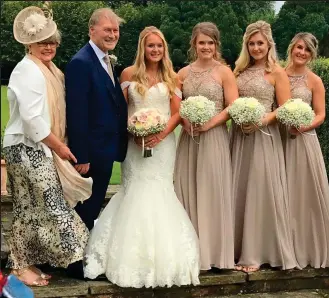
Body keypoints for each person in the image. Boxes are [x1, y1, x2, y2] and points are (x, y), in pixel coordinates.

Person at [83, 26, 200, 288]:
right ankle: (123, 255)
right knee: (133, 190)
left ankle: (164, 258)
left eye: (159, 46)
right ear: (142, 48)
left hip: (164, 145)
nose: (155, 50)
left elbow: (177, 113)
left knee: (160, 191)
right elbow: (118, 110)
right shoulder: (127, 74)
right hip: (134, 145)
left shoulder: (172, 77)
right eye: (150, 46)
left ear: (164, 49)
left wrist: (159, 135)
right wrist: (133, 130)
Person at [2, 6, 89, 286]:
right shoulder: (27, 70)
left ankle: (23, 263)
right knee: (46, 205)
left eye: (52, 41)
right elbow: (31, 119)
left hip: (37, 147)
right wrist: (60, 147)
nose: (49, 46)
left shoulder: (50, 70)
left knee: (34, 206)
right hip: (26, 147)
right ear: (30, 44)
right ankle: (20, 265)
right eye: (43, 42)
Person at [231, 20, 297, 273]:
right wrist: (240, 118)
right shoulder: (239, 71)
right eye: (251, 43)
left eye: (260, 43)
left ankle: (257, 252)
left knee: (260, 191)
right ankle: (236, 249)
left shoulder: (277, 72)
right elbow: (231, 102)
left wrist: (264, 119)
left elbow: (285, 107)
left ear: (269, 44)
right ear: (246, 45)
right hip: (239, 137)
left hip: (264, 138)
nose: (256, 47)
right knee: (239, 189)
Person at [174, 22, 237, 271]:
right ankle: (191, 252)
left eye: (211, 43)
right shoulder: (182, 74)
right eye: (202, 42)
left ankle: (216, 254)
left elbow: (232, 106)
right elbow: (176, 105)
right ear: (194, 44)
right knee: (188, 189)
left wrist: (210, 123)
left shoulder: (224, 72)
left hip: (214, 138)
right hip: (190, 139)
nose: (206, 47)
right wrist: (186, 120)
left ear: (216, 45)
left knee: (213, 190)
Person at [65, 8, 128, 231]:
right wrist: (81, 156)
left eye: (116, 30)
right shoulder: (81, 63)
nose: (112, 35)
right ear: (92, 31)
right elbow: (77, 112)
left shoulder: (104, 60)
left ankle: (84, 257)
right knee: (85, 209)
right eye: (107, 30)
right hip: (91, 154)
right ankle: (75, 265)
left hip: (105, 150)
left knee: (93, 207)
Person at [282, 32, 329, 268]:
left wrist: (303, 126)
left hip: (303, 140)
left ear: (312, 54)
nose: (302, 53)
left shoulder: (314, 81)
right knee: (280, 193)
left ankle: (306, 247)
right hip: (278, 139)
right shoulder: (277, 74)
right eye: (299, 47)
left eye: (307, 50)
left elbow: (320, 114)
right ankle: (281, 246)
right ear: (291, 48)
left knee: (301, 193)